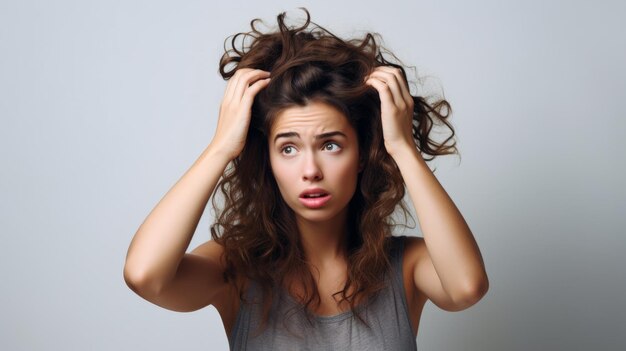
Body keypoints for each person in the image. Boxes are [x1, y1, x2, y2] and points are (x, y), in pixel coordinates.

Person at [124, 8, 488, 350]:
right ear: (267, 159)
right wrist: (221, 147)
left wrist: (402, 148)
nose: (310, 170)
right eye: (288, 149)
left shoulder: (407, 264)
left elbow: (466, 288)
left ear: (361, 155)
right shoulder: (234, 270)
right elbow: (145, 276)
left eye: (330, 145)